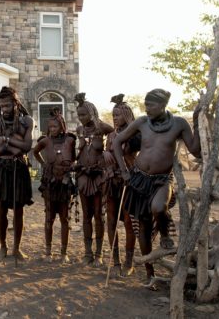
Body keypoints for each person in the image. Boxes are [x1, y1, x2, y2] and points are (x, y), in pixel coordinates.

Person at [113, 88, 201, 282]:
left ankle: (164, 234)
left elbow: (195, 150)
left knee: (158, 207)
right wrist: (123, 171)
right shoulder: (142, 122)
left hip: (162, 179)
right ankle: (150, 274)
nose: (147, 109)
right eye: (145, 105)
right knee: (142, 228)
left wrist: (197, 121)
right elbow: (117, 142)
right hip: (138, 177)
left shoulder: (178, 123)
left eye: (151, 105)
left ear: (163, 105)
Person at [0, 86, 34, 261]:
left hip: (19, 168)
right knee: (1, 210)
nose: (5, 109)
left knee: (19, 211)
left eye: (8, 105)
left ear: (16, 104)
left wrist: (4, 140)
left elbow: (27, 146)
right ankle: (3, 246)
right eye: (2, 106)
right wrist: (9, 147)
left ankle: (16, 248)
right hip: (1, 169)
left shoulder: (27, 121)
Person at [74, 93, 114, 267]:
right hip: (83, 176)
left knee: (99, 215)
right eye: (79, 115)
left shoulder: (104, 128)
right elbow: (79, 152)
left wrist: (107, 155)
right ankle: (87, 253)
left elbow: (114, 141)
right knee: (86, 216)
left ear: (92, 112)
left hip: (99, 177)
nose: (81, 118)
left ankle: (99, 253)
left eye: (83, 114)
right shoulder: (79, 130)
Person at [33, 107, 76, 263]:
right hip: (50, 184)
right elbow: (35, 151)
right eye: (50, 127)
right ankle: (48, 252)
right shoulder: (45, 141)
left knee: (65, 218)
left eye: (55, 127)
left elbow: (74, 158)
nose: (52, 129)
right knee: (49, 218)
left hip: (64, 183)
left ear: (62, 126)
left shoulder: (70, 140)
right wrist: (44, 164)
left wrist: (69, 167)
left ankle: (64, 253)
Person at [103, 94, 139, 276]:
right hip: (112, 182)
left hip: (129, 181)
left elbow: (133, 152)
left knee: (128, 221)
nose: (115, 119)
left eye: (118, 115)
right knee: (110, 221)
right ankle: (114, 261)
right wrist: (105, 154)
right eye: (113, 115)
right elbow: (106, 154)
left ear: (126, 115)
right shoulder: (110, 135)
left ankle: (129, 261)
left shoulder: (134, 133)